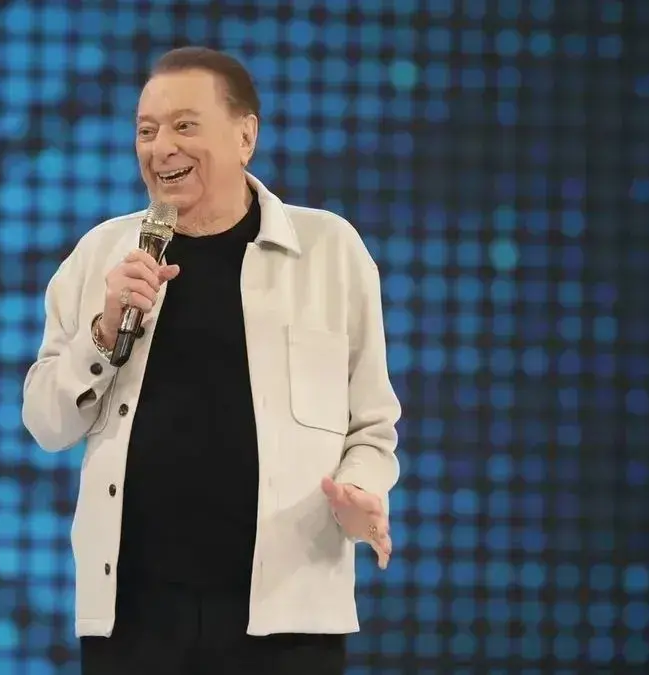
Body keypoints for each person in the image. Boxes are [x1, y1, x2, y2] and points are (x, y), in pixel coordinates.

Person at [21, 46, 402, 675]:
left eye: (184, 126)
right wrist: (103, 328)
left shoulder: (329, 251)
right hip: (135, 617)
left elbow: (372, 426)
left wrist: (359, 491)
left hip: (286, 615)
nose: (160, 147)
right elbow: (45, 422)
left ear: (245, 134)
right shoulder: (101, 256)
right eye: (146, 131)